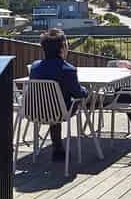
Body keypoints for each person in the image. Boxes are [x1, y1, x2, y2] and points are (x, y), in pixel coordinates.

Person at [27, 27, 88, 161]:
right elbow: (78, 93)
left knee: (54, 104)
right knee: (63, 105)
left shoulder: (35, 67)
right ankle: (60, 148)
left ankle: (58, 147)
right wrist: (86, 91)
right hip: (60, 112)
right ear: (63, 48)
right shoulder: (68, 70)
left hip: (35, 111)